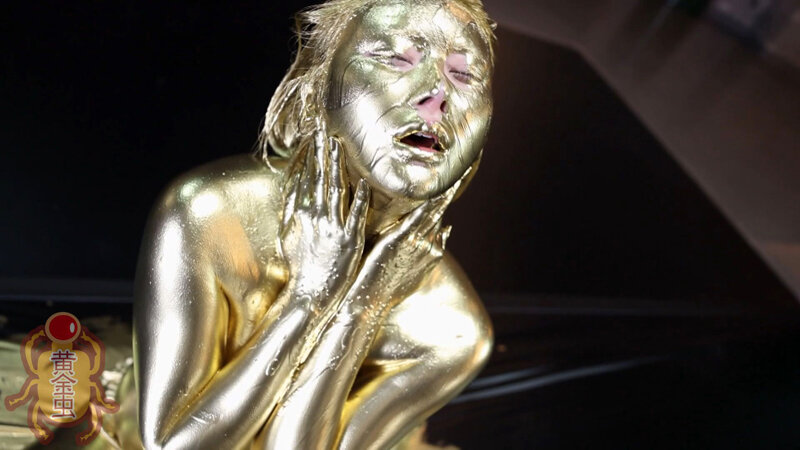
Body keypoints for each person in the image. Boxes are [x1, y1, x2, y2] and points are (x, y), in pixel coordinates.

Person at [125, 0, 496, 448]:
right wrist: (308, 296)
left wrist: (363, 303)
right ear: (317, 83)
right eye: (395, 58)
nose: (437, 95)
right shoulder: (211, 213)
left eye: (464, 75)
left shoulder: (455, 329)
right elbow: (171, 444)